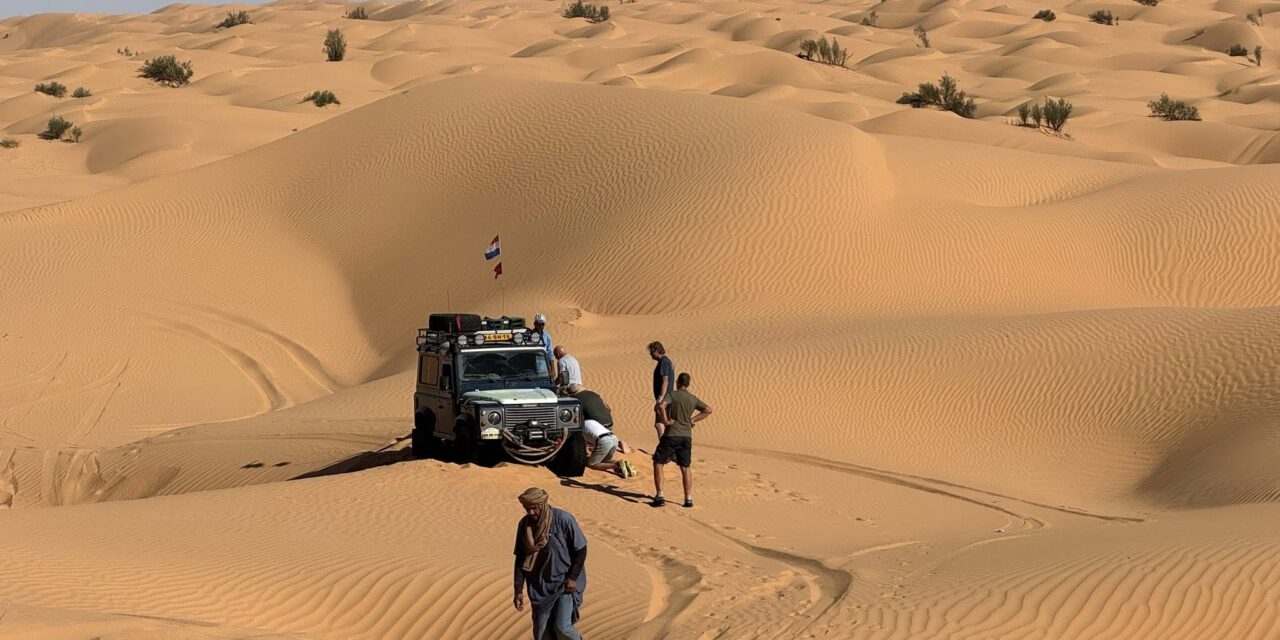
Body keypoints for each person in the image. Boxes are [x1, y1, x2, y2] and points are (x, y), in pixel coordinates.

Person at [513, 487, 588, 640]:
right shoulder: (524, 526)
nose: (530, 512)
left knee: (562, 627)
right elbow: (520, 559)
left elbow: (581, 549)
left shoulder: (563, 519)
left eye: (534, 508)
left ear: (542, 504)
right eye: (527, 508)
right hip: (540, 588)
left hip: (564, 584)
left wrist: (573, 578)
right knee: (542, 634)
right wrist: (518, 590)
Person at [651, 372, 711, 508]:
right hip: (686, 437)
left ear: (677, 382)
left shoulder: (672, 395)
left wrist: (665, 421)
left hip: (671, 435)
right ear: (688, 384)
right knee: (685, 467)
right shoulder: (692, 398)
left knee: (658, 462)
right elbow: (708, 410)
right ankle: (688, 499)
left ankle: (660, 496)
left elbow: (661, 406)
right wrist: (692, 420)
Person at [570, 386, 635, 477]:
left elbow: (582, 443)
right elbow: (608, 408)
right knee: (604, 461)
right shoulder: (594, 395)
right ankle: (624, 464)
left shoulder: (581, 423)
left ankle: (616, 465)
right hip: (613, 437)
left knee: (591, 464)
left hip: (604, 440)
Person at [648, 341, 675, 440]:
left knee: (659, 424)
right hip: (667, 398)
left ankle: (663, 446)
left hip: (665, 398)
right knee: (664, 423)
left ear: (656, 350)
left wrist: (660, 399)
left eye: (651, 351)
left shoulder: (663, 362)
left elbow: (665, 381)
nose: (650, 354)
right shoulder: (666, 361)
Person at [534, 313, 556, 383]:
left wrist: (552, 369)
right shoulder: (530, 335)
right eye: (539, 324)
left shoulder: (547, 336)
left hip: (544, 367)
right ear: (535, 324)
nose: (540, 326)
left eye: (542, 324)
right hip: (532, 367)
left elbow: (550, 353)